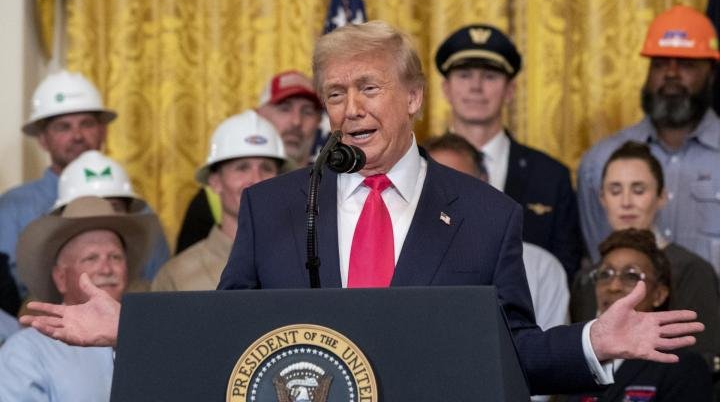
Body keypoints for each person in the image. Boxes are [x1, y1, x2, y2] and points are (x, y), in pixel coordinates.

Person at [21, 21, 704, 397]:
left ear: (413, 97)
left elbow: (509, 352)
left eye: (369, 88)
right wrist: (132, 328)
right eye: (335, 93)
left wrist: (591, 342)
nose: (350, 109)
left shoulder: (484, 214)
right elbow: (229, 338)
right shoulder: (274, 207)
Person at [577, 5, 720, 274]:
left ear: (711, 74)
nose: (671, 74)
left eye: (686, 64)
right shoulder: (600, 161)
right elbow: (597, 259)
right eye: (660, 64)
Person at [0, 70, 169, 295]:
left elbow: (158, 286)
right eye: (63, 127)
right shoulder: (13, 207)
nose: (78, 135)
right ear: (42, 139)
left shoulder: (138, 211)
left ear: (103, 131)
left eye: (87, 124)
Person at [435, 24, 583, 279]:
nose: (476, 87)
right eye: (465, 75)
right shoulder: (418, 164)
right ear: (446, 89)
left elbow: (565, 269)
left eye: (490, 76)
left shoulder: (550, 176)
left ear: (510, 90)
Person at [571, 140, 720, 368]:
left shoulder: (693, 270)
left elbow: (705, 360)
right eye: (615, 190)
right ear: (602, 198)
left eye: (638, 190)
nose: (626, 202)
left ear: (661, 197)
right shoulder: (586, 278)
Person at [0, 196, 159, 401]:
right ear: (61, 278)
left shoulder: (154, 339)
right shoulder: (26, 352)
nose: (106, 269)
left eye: (115, 257)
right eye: (91, 258)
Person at [423, 132, 570, 331]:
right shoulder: (399, 254)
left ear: (484, 184)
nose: (449, 198)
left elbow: (545, 345)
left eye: (460, 184)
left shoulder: (540, 266)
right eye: (437, 186)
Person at [175, 70, 323, 254]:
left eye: (308, 111)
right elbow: (190, 267)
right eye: (284, 108)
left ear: (319, 120)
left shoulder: (330, 190)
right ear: (259, 115)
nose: (296, 121)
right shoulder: (208, 201)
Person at [562, 229, 712, 401]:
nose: (613, 286)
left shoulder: (682, 365)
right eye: (605, 274)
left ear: (659, 294)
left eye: (631, 276)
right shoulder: (578, 361)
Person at [152, 111, 286, 291]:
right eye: (242, 168)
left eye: (267, 168)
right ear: (215, 182)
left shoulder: (306, 261)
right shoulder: (176, 276)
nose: (256, 179)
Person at [52, 149, 170, 289]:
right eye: (89, 206)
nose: (103, 214)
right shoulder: (39, 303)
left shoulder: (150, 293)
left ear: (129, 213)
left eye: (114, 207)